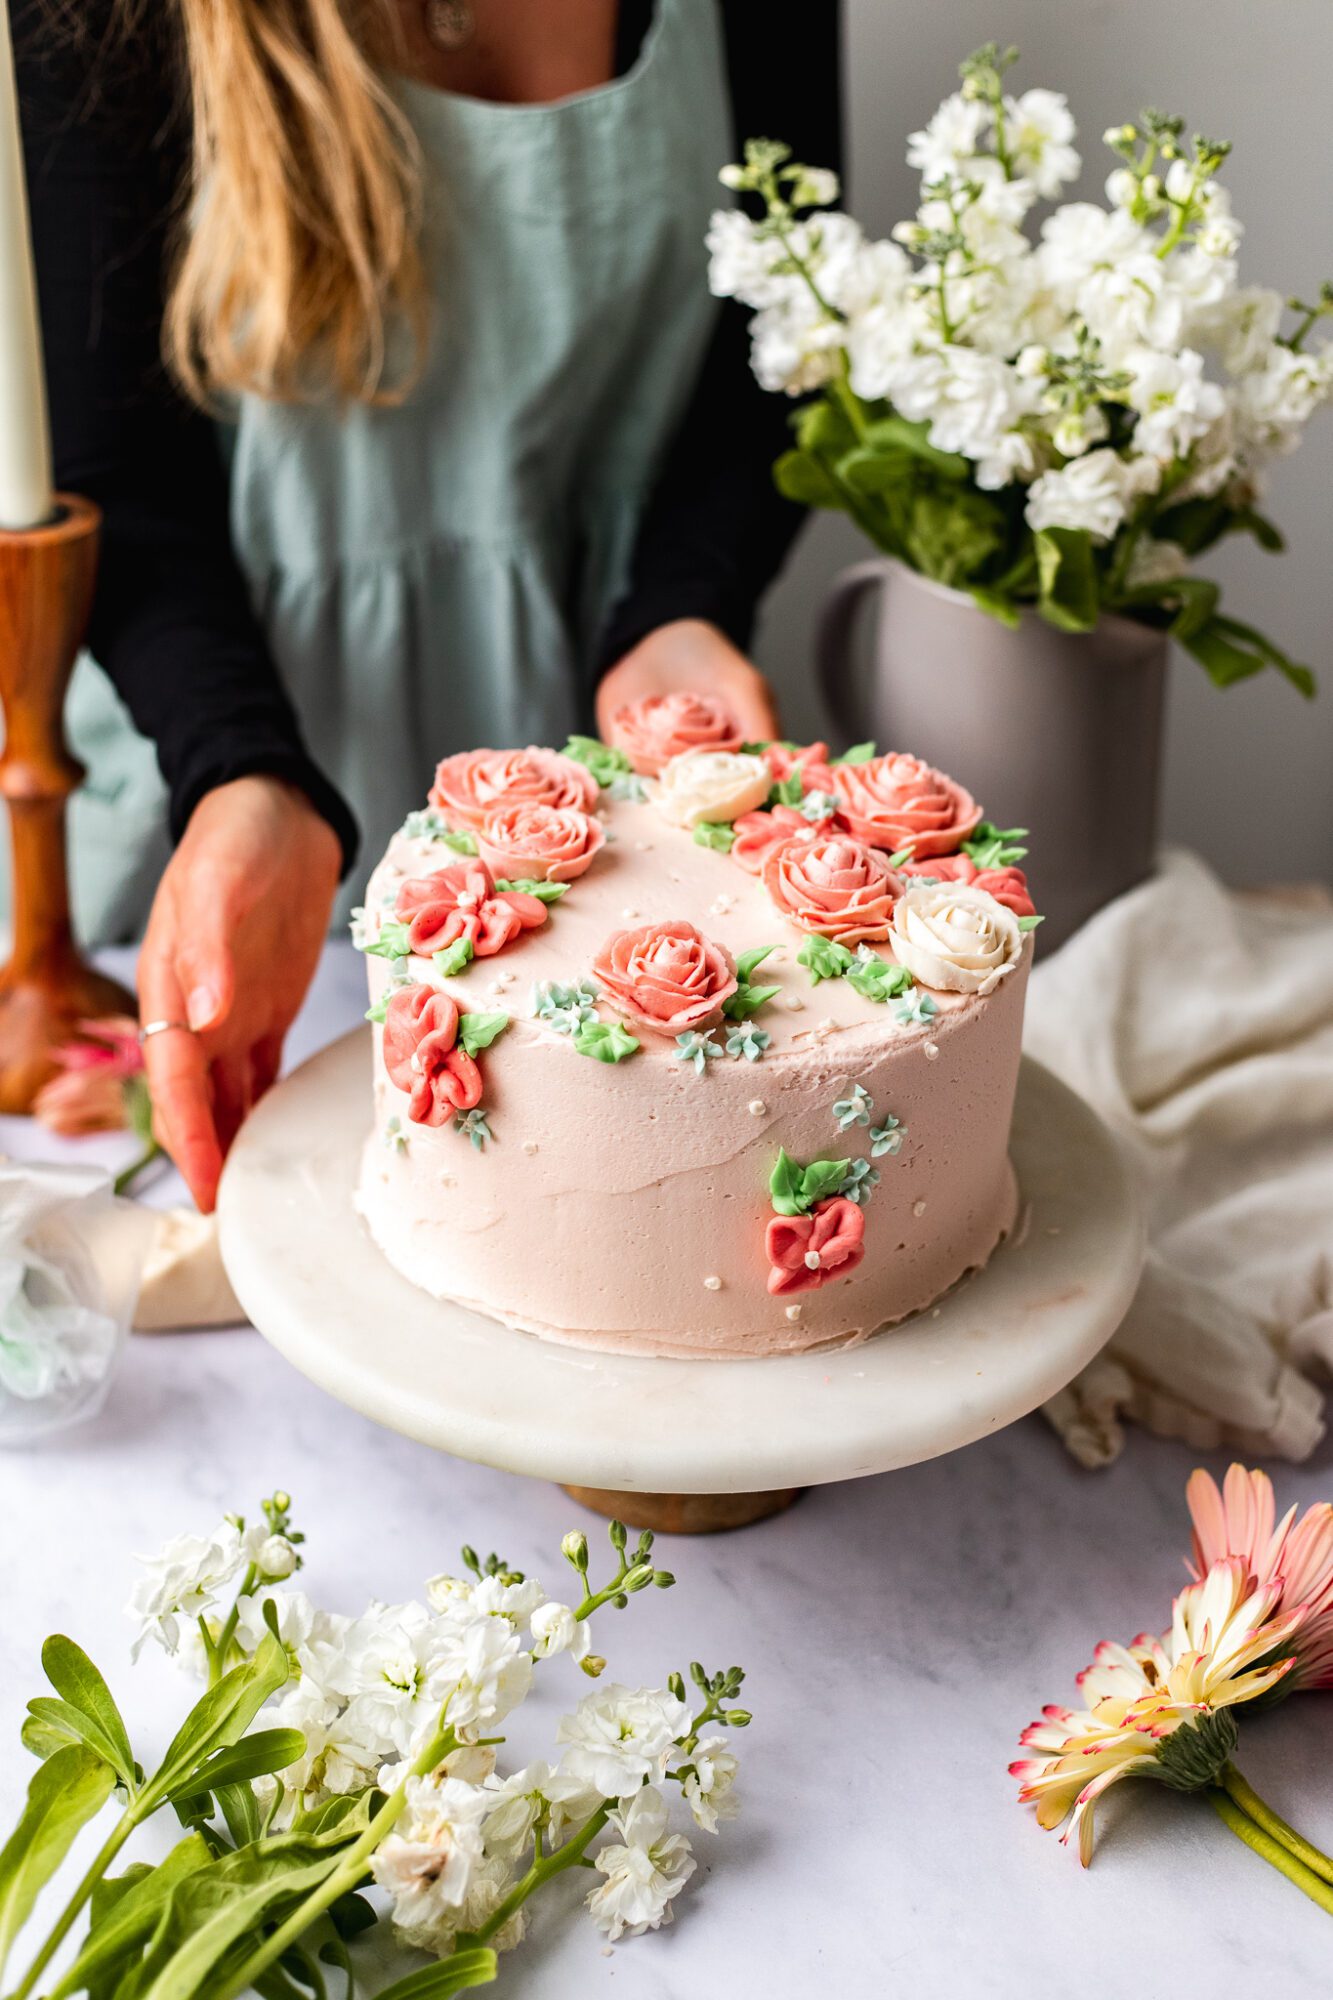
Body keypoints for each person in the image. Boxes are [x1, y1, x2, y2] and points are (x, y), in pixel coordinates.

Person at [17, 0, 841, 1209]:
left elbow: (786, 337)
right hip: (210, 768)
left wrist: (682, 606)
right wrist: (243, 772)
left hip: (598, 746)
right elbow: (114, 473)